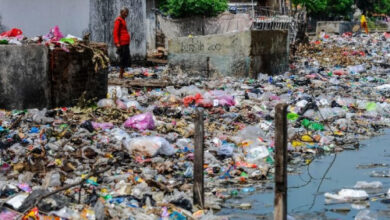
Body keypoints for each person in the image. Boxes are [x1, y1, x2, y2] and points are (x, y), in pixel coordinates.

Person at [113, 7, 131, 79]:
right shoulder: (118, 20)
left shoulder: (123, 20)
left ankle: (122, 73)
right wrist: (117, 43)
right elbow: (115, 32)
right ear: (121, 12)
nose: (126, 14)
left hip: (126, 43)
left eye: (127, 13)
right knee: (122, 59)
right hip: (122, 43)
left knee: (126, 58)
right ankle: (120, 75)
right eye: (125, 12)